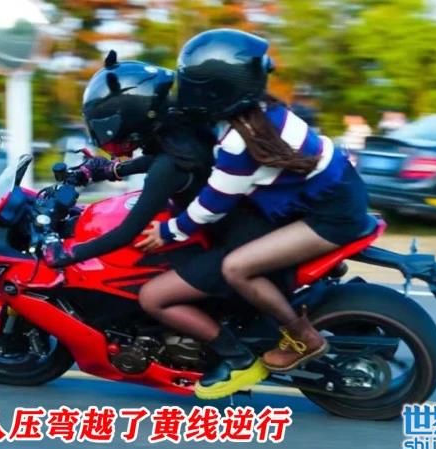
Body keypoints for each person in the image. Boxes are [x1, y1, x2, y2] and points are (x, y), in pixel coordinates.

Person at [138, 29, 374, 398]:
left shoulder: (239, 143)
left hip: (331, 215)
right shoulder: (260, 110)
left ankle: (303, 337)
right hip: (332, 192)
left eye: (191, 85)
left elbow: (211, 206)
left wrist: (169, 232)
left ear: (213, 91)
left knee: (236, 267)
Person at [42, 51, 216, 268]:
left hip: (224, 245)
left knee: (151, 290)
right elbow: (155, 160)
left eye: (107, 124)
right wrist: (112, 170)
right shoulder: (182, 139)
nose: (105, 132)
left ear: (133, 119)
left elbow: (125, 234)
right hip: (211, 236)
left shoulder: (168, 168)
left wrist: (65, 254)